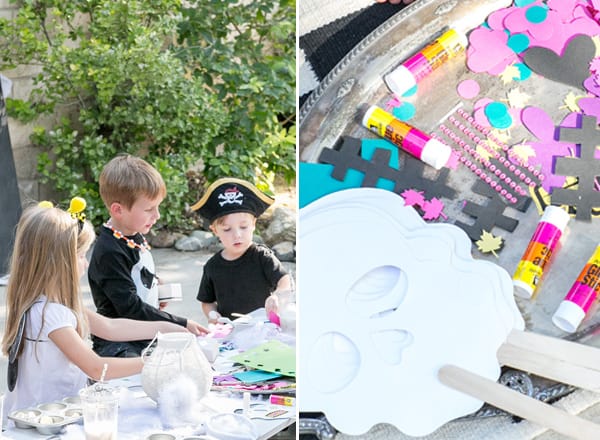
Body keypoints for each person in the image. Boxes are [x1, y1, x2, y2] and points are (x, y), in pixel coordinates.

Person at [1, 203, 188, 417]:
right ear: (59, 262)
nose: (87, 263)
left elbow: (110, 327)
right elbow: (97, 368)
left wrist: (167, 327)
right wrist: (159, 362)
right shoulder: (50, 314)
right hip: (48, 420)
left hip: (50, 413)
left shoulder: (46, 303)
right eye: (81, 256)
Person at [88, 154, 207, 357]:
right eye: (149, 209)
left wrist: (154, 289)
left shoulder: (133, 233)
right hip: (119, 343)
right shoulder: (109, 252)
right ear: (118, 210)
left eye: (157, 207)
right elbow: (130, 308)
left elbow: (136, 275)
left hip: (144, 332)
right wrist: (179, 322)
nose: (157, 215)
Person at [191, 178, 292, 324]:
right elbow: (207, 302)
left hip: (264, 327)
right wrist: (213, 316)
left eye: (243, 227)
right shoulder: (212, 267)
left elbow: (284, 280)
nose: (237, 234)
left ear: (253, 224)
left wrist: (277, 296)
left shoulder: (262, 257)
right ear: (215, 230)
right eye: (227, 229)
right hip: (232, 331)